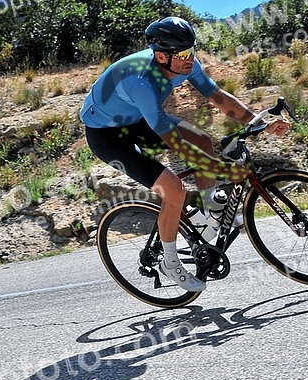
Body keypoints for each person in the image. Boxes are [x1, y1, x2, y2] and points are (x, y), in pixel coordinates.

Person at [79, 17, 289, 291]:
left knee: (202, 139)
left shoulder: (184, 63)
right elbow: (176, 145)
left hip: (136, 118)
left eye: (191, 50)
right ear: (161, 57)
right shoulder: (141, 82)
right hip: (107, 134)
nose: (189, 59)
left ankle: (211, 213)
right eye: (181, 55)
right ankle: (169, 261)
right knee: (173, 189)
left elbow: (218, 97)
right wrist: (223, 170)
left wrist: (260, 123)